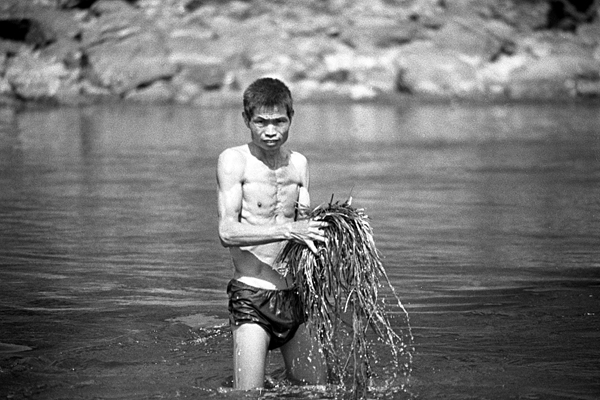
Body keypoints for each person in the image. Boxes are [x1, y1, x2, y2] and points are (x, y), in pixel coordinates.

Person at [216, 77, 328, 390]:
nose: (270, 131)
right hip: (252, 296)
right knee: (249, 395)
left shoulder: (299, 164)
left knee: (319, 391)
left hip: (294, 297)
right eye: (261, 122)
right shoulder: (234, 161)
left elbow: (306, 229)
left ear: (291, 118)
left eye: (279, 121)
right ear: (246, 120)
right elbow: (226, 231)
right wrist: (286, 230)